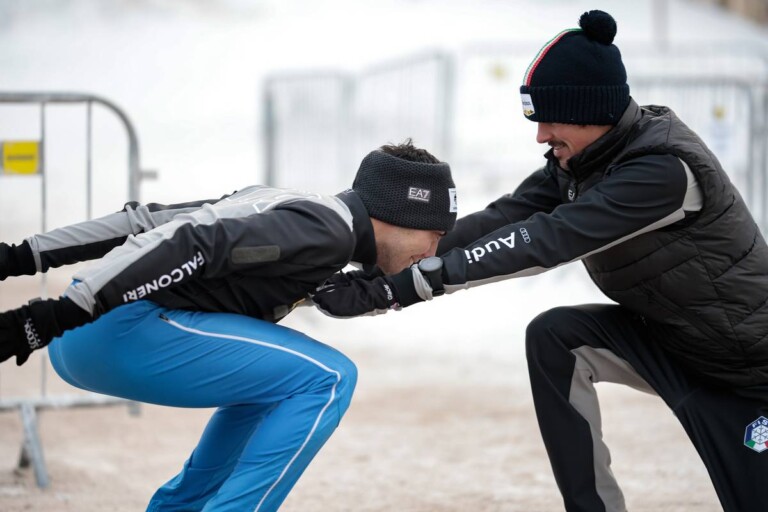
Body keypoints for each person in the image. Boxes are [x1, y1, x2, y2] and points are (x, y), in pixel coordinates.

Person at [312, 10, 768, 512]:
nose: (541, 136)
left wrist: (411, 287)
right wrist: (385, 268)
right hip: (672, 345)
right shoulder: (582, 160)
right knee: (556, 338)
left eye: (551, 120)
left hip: (744, 370)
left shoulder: (662, 173)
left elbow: (547, 238)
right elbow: (506, 217)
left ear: (592, 110)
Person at [0, 139, 457, 511]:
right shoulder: (326, 233)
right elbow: (193, 243)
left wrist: (21, 257)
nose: (433, 250)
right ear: (401, 214)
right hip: (110, 325)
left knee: (277, 386)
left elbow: (143, 222)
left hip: (89, 330)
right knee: (329, 378)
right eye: (434, 234)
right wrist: (50, 316)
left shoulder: (293, 208)